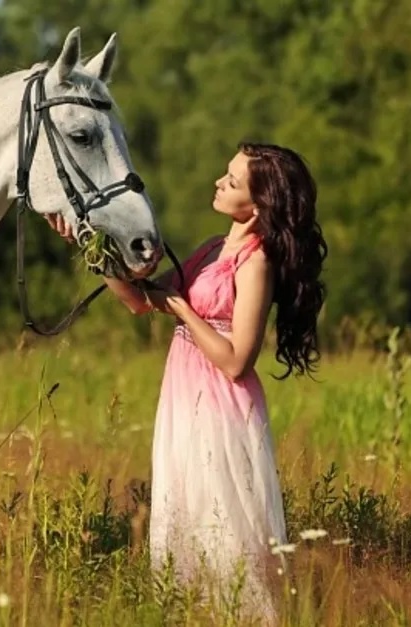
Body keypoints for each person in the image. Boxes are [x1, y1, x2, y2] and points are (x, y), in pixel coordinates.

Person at [47, 141, 328, 620]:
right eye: (226, 173)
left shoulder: (255, 262)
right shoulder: (214, 249)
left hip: (220, 403)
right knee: (185, 507)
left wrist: (180, 309)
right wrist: (87, 243)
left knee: (221, 519)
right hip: (183, 398)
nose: (220, 182)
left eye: (233, 181)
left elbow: (239, 358)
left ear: (259, 205)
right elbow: (139, 301)